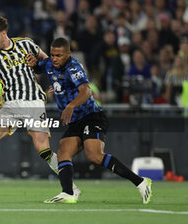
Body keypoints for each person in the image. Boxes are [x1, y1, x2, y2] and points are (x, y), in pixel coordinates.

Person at [31, 37, 152, 204]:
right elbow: (38, 67)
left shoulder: (74, 68)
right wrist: (33, 62)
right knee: (63, 153)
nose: (54, 58)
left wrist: (71, 105)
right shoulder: (50, 64)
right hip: (74, 121)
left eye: (58, 55)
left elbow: (86, 91)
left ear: (68, 54)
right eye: (52, 54)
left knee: (94, 156)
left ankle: (141, 182)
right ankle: (68, 193)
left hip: (91, 116)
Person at [0, 16, 80, 197]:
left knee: (43, 150)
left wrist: (42, 67)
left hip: (33, 102)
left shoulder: (26, 44)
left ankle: (71, 188)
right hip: (9, 105)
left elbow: (48, 61)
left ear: (3, 33)